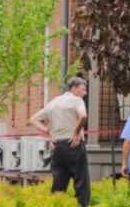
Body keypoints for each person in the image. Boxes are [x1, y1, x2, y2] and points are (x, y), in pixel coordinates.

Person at [29, 77, 91, 207]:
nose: (85, 93)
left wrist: (49, 132)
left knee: (58, 185)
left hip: (57, 147)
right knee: (82, 184)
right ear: (74, 88)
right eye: (83, 89)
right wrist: (76, 132)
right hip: (74, 145)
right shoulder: (77, 100)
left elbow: (34, 119)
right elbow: (83, 116)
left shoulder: (54, 102)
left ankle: (55, 204)